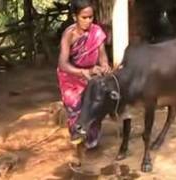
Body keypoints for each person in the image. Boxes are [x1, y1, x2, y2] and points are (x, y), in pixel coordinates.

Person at [57, 0, 111, 149]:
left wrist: (105, 65)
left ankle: (91, 139)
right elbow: (62, 63)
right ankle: (77, 136)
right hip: (70, 75)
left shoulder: (97, 32)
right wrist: (81, 72)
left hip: (91, 74)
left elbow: (102, 55)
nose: (88, 21)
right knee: (74, 104)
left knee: (94, 105)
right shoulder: (69, 35)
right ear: (75, 17)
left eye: (91, 17)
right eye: (84, 17)